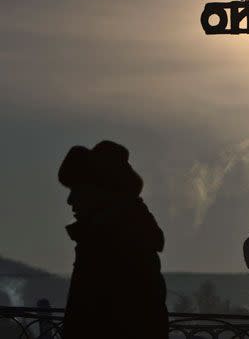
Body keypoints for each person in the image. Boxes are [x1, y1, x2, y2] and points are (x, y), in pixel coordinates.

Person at [58, 140, 169, 339]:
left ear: (100, 191)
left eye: (76, 189)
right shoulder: (114, 236)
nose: (70, 200)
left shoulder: (112, 242)